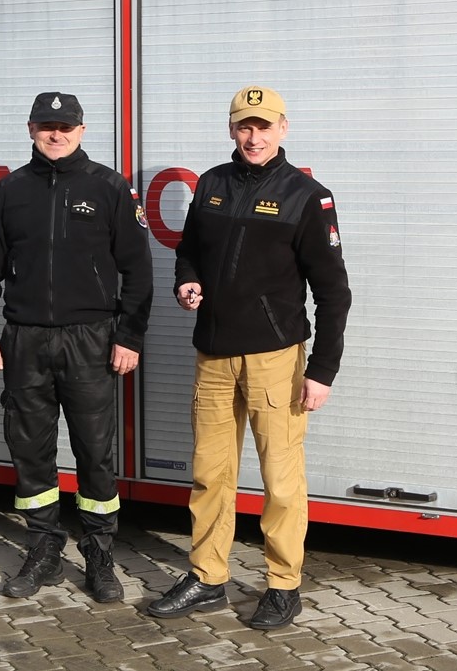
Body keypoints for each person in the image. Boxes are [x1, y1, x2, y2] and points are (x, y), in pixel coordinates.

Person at [146, 85, 351, 630]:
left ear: (284, 128)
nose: (253, 136)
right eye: (244, 126)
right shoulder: (211, 184)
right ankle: (208, 576)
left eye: (263, 126)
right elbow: (189, 250)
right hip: (213, 354)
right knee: (210, 475)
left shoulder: (308, 195)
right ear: (231, 130)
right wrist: (187, 281)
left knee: (281, 480)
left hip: (275, 358)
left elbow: (334, 292)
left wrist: (322, 369)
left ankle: (284, 585)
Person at [0, 92, 153, 602]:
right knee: (31, 452)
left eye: (65, 126)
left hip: (91, 340)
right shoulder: (9, 193)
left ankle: (99, 555)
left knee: (95, 452)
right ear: (31, 129)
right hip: (24, 339)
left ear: (82, 129)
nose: (56, 134)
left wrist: (129, 337)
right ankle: (44, 550)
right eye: (47, 125)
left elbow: (138, 270)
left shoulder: (109, 188)